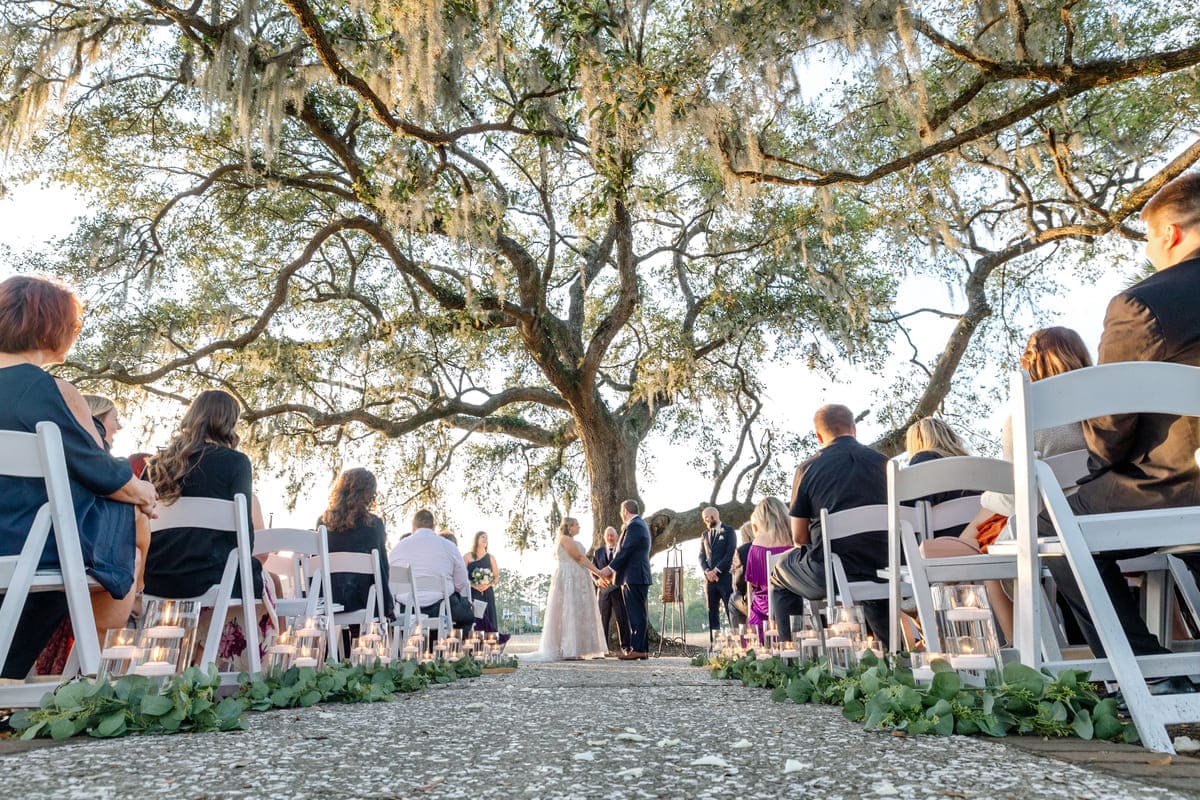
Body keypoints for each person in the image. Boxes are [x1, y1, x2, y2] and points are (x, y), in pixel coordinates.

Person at [1038, 172, 1200, 664]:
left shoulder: (1142, 304)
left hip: (1177, 484)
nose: (1150, 249)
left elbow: (1108, 428)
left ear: (1170, 233)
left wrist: (1099, 466)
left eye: (1149, 237)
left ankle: (1148, 668)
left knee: (1054, 527)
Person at [0, 275, 158, 678]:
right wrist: (141, 492)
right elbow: (100, 471)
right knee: (126, 532)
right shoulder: (42, 387)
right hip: (27, 542)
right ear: (51, 325)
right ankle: (90, 674)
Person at [920, 329, 1091, 644]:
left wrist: (986, 507)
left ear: (1031, 362)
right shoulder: (1101, 408)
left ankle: (1019, 648)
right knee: (987, 529)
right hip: (1098, 518)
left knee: (990, 560)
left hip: (1047, 526)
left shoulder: (1027, 415)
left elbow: (1016, 497)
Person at [770, 404, 890, 645]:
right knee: (868, 555)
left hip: (831, 572)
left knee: (779, 573)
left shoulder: (808, 469)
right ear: (854, 429)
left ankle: (791, 655)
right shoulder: (885, 463)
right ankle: (890, 650)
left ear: (819, 436)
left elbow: (799, 537)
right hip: (887, 566)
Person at [523, 518, 607, 661]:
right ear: (569, 527)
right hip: (569, 579)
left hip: (579, 578)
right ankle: (568, 649)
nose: (579, 527)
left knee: (579, 613)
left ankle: (578, 649)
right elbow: (579, 558)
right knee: (569, 611)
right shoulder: (566, 539)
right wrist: (599, 572)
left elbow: (581, 561)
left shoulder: (571, 540)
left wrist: (593, 577)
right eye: (577, 525)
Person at [318, 467, 393, 627]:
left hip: (327, 597)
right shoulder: (373, 524)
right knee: (369, 586)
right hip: (363, 600)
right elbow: (382, 567)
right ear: (368, 495)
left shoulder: (322, 523)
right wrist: (386, 606)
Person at [388, 509, 470, 631]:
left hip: (405, 610)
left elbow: (390, 582)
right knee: (467, 615)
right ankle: (452, 647)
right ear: (434, 527)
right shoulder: (448, 546)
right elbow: (461, 582)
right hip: (441, 607)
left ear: (413, 527)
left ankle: (402, 647)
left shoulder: (397, 548)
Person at [904, 417, 979, 537]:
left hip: (945, 547)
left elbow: (909, 513)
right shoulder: (979, 468)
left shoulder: (925, 459)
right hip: (985, 541)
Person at [600, 500, 653, 660]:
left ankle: (637, 649)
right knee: (638, 613)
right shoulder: (638, 525)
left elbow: (625, 551)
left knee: (636, 614)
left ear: (625, 511)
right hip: (634, 576)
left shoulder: (635, 525)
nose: (621, 514)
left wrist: (610, 568)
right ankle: (641, 649)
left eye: (621, 511)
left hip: (634, 576)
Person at [744, 497, 793, 640]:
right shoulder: (796, 537)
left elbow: (752, 585)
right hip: (799, 602)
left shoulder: (758, 543)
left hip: (767, 610)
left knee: (755, 604)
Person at [698, 505, 735, 640]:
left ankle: (735, 643)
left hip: (724, 578)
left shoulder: (729, 531)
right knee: (712, 612)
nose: (706, 520)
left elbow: (730, 553)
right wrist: (708, 571)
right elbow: (701, 556)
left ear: (714, 515)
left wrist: (717, 570)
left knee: (729, 609)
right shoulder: (705, 535)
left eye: (706, 517)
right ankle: (716, 643)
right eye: (704, 519)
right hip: (710, 581)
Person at [592, 526, 630, 652]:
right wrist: (597, 580)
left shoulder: (622, 551)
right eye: (608, 535)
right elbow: (593, 570)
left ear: (617, 536)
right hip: (603, 592)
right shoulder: (597, 552)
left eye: (612, 535)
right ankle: (603, 648)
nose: (610, 537)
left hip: (619, 591)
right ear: (604, 537)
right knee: (603, 620)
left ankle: (626, 647)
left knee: (622, 619)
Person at [465, 531, 499, 633]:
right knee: (475, 619)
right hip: (472, 593)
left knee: (489, 617)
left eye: (486, 538)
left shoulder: (491, 558)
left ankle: (490, 642)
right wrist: (472, 585)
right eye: (482, 537)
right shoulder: (467, 556)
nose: (485, 539)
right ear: (476, 539)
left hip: (487, 593)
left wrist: (488, 584)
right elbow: (461, 576)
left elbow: (496, 577)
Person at [728, 522, 754, 628]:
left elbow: (740, 587)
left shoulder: (743, 551)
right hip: (780, 600)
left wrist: (735, 574)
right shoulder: (776, 545)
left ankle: (740, 639)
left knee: (733, 599)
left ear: (746, 536)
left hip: (756, 604)